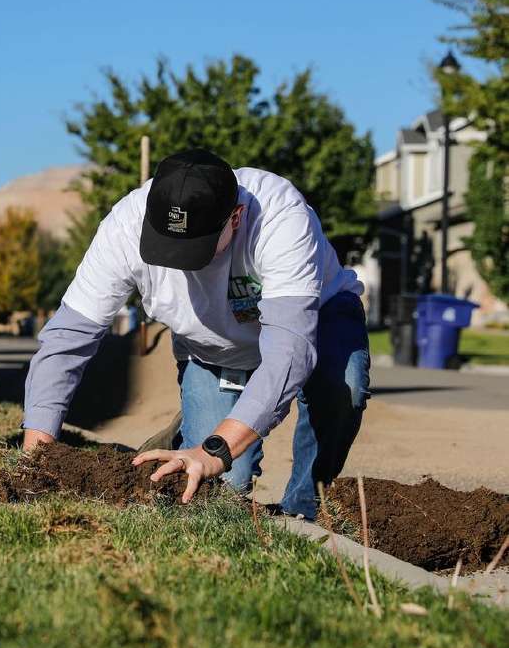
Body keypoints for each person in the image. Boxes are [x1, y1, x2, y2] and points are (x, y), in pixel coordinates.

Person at [22, 149, 369, 520]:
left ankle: (304, 511)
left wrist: (215, 448)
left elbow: (290, 353)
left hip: (316, 322)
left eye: (194, 247)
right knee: (216, 488)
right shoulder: (124, 226)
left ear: (236, 218)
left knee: (342, 385)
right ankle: (187, 434)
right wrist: (36, 455)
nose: (176, 260)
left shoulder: (279, 217)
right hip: (211, 348)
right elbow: (66, 340)